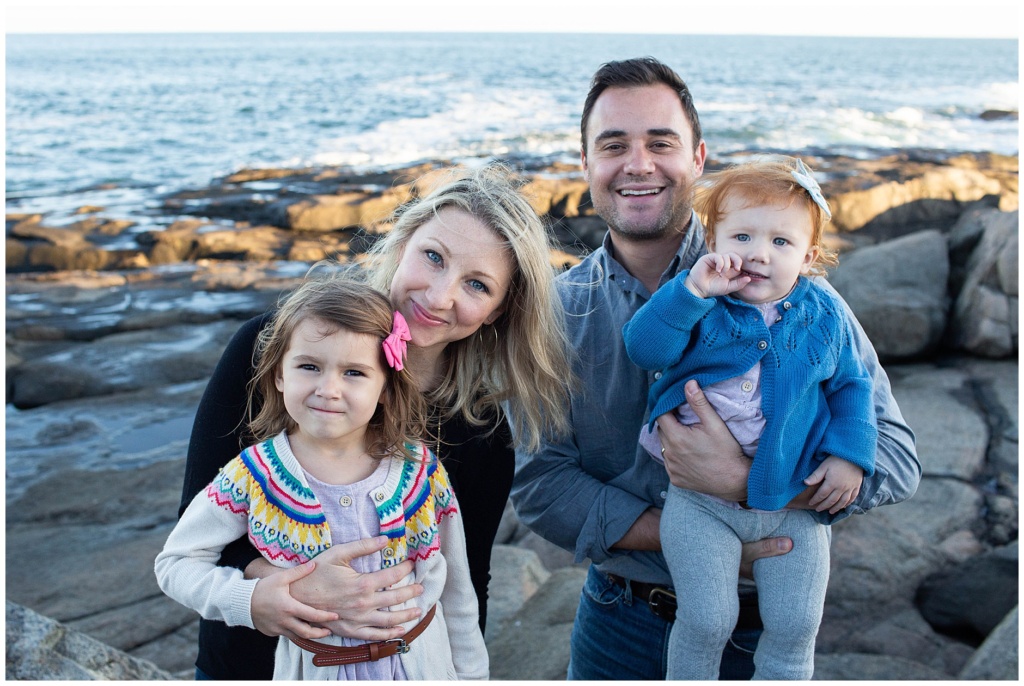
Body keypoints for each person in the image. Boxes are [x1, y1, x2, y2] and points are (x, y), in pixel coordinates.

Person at [509, 57, 920, 681]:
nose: (638, 164)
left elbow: (895, 457)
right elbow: (541, 484)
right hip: (617, 621)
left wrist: (749, 486)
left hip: (763, 625)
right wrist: (694, 532)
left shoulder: (795, 295)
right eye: (614, 145)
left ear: (698, 158)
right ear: (586, 163)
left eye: (661, 143)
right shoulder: (555, 314)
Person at [180, 163, 572, 679]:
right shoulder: (276, 350)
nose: (439, 296)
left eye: (477, 284)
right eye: (433, 257)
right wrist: (291, 588)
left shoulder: (479, 431)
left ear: (499, 309)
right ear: (401, 243)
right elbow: (197, 527)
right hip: (249, 664)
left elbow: (466, 583)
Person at [156, 275, 488, 679]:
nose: (328, 389)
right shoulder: (253, 475)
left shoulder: (421, 472)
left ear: (386, 387)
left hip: (424, 667)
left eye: (354, 373)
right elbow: (176, 563)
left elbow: (457, 590)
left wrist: (472, 675)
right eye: (309, 367)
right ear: (279, 375)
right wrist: (251, 600)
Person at [623, 156, 878, 679]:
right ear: (712, 240)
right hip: (698, 503)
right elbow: (644, 349)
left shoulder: (825, 314)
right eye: (742, 236)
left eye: (781, 242)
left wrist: (851, 457)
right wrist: (691, 292)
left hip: (793, 502)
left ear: (808, 257)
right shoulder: (700, 303)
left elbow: (852, 386)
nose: (759, 254)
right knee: (707, 620)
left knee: (796, 624)